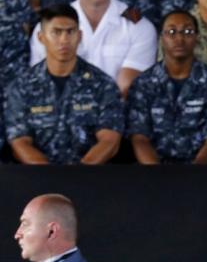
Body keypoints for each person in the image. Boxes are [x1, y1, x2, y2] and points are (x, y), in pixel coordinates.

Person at [5, 10, 123, 164]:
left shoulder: (102, 84)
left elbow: (109, 140)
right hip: (39, 179)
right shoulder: (22, 86)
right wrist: (50, 178)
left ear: (79, 36)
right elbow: (19, 141)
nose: (64, 40)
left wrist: (77, 176)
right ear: (41, 38)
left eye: (70, 32)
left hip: (90, 176)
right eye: (56, 32)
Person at [30, 0, 157, 96]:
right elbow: (43, 83)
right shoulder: (49, 27)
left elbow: (127, 87)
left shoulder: (139, 27)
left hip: (116, 112)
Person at [125, 10, 207, 164]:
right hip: (153, 174)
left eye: (187, 31)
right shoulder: (143, 84)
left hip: (200, 174)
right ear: (162, 38)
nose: (179, 38)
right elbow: (139, 138)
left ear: (196, 38)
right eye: (171, 32)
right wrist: (159, 178)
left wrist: (191, 179)